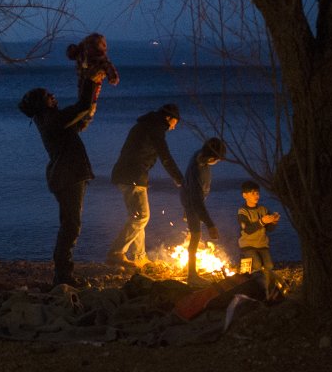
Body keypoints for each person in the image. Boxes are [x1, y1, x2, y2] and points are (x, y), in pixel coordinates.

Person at [18, 86, 95, 287]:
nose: (53, 96)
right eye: (47, 96)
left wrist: (85, 115)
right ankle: (63, 276)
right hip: (68, 177)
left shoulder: (51, 120)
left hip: (67, 177)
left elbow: (76, 122)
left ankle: (62, 275)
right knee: (71, 226)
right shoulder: (51, 120)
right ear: (41, 103)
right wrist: (91, 80)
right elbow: (82, 106)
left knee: (70, 225)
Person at [105, 103, 183, 268]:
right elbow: (165, 156)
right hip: (133, 175)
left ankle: (139, 256)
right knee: (142, 217)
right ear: (169, 118)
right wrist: (179, 179)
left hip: (126, 173)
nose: (175, 127)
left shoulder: (145, 125)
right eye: (176, 122)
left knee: (137, 217)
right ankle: (116, 252)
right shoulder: (156, 128)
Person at [181, 138, 226, 285]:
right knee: (195, 237)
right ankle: (192, 275)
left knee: (195, 236)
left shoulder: (198, 155)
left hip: (191, 199)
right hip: (192, 204)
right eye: (217, 160)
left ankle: (192, 274)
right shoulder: (198, 170)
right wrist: (210, 225)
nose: (216, 163)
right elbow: (197, 202)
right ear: (212, 158)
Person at [65, 33, 119, 125]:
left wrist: (112, 76)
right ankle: (84, 119)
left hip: (94, 78)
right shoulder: (82, 55)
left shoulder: (89, 51)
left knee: (90, 102)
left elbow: (105, 63)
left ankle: (86, 119)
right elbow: (82, 75)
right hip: (91, 79)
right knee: (89, 101)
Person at [237, 181, 280, 276]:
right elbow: (247, 230)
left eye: (257, 193)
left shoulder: (263, 209)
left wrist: (273, 221)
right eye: (253, 193)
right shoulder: (242, 211)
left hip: (262, 244)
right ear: (244, 195)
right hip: (247, 244)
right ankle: (247, 271)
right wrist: (262, 221)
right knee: (257, 265)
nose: (256, 196)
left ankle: (266, 284)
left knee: (269, 266)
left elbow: (269, 229)